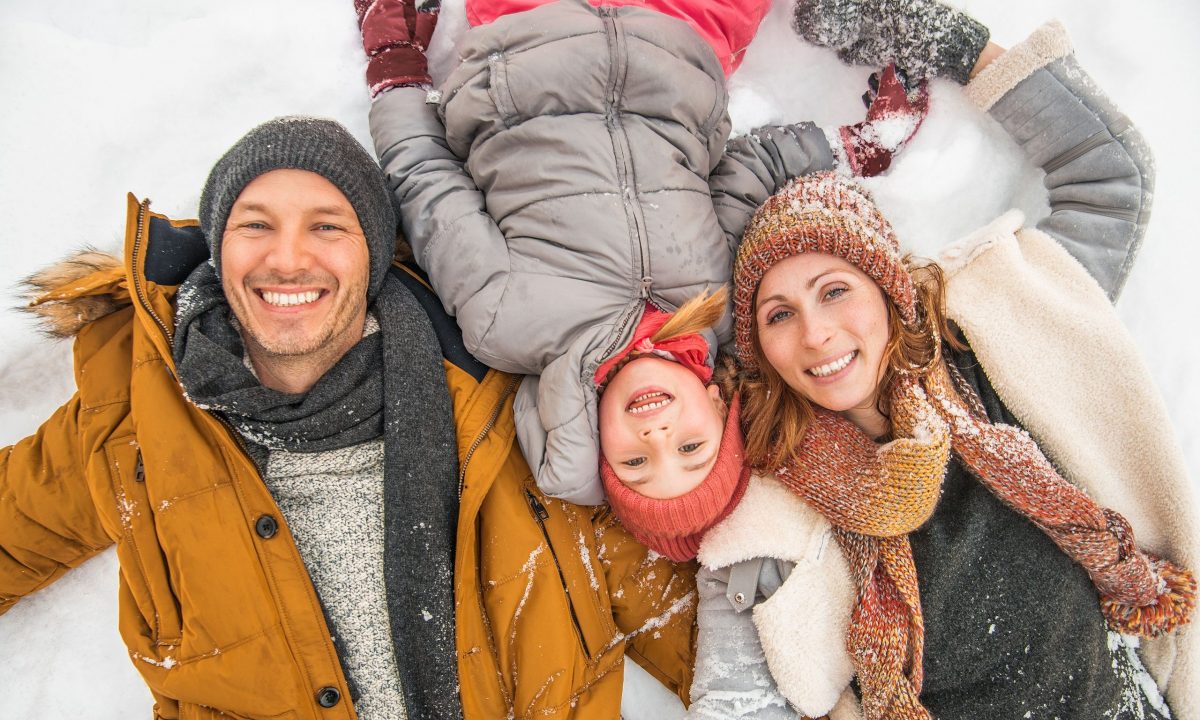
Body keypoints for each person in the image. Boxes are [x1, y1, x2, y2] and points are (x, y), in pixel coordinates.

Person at [0, 117, 696, 719]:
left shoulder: (503, 403)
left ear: (372, 251)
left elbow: (679, 616)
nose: (288, 258)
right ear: (219, 247)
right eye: (255, 226)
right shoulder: (134, 412)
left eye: (326, 227)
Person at [675, 10, 1199, 720]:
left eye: (835, 291)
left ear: (891, 294)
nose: (817, 334)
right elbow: (734, 705)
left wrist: (952, 45)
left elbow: (1110, 174)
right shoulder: (770, 505)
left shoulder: (1006, 351)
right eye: (778, 314)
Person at [354, 0, 945, 510]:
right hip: (682, 42)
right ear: (716, 407)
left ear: (597, 442)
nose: (658, 434)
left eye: (635, 462)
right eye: (691, 449)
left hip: (525, 41)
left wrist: (394, 65)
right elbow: (745, 174)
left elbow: (426, 181)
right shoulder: (721, 306)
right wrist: (853, 147)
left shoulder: (508, 321)